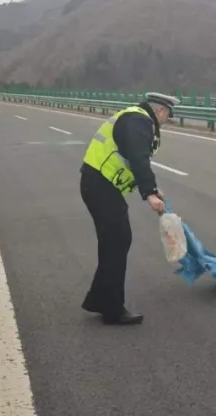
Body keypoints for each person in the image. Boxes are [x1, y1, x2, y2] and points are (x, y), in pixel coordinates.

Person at [79, 91, 179, 325]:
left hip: (100, 186)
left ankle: (99, 299)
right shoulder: (139, 120)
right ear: (161, 111)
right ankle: (112, 309)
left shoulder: (136, 119)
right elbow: (138, 157)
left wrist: (153, 188)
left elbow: (133, 158)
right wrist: (148, 194)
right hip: (100, 186)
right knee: (118, 240)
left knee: (114, 242)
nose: (167, 119)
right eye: (168, 115)